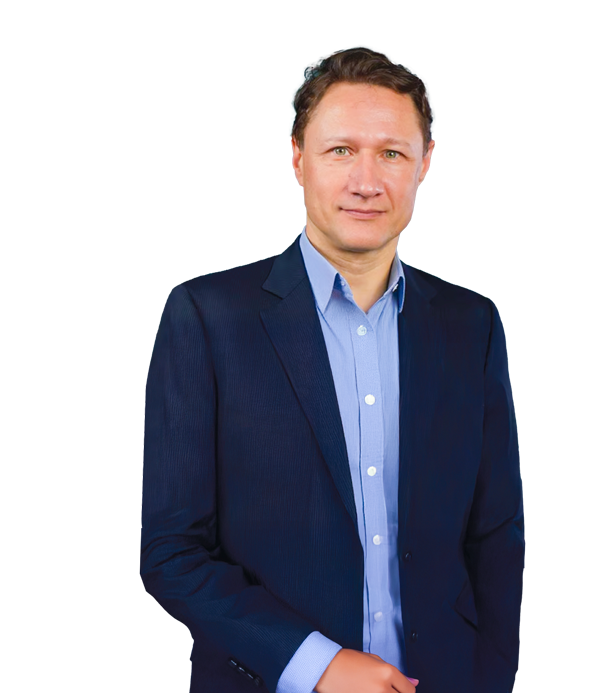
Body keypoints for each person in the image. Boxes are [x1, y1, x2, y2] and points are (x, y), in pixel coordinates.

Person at [140, 46, 524, 693]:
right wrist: (315, 664)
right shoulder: (208, 316)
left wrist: (491, 674)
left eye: (391, 153)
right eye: (341, 150)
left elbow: (496, 533)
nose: (365, 181)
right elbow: (168, 547)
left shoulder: (472, 323)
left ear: (424, 164)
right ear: (298, 159)